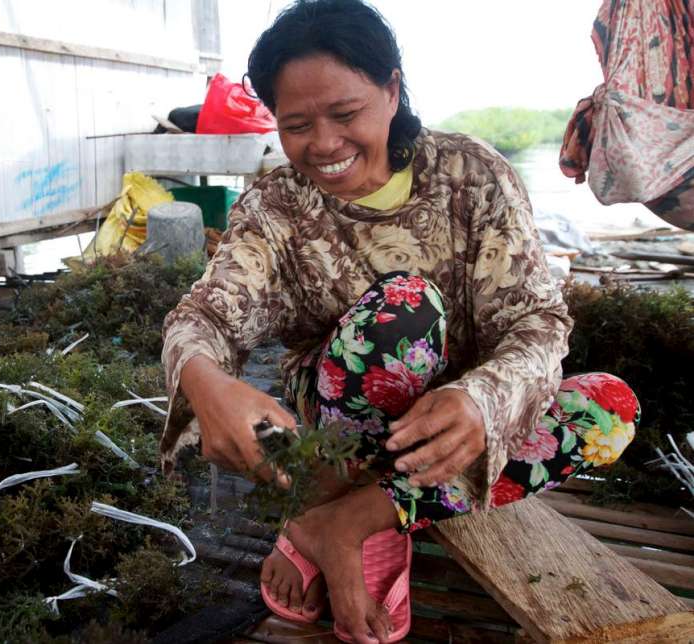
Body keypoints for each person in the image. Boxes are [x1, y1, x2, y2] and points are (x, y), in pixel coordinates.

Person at [160, 1, 640, 642]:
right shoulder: (275, 207)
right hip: (336, 424)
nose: (324, 144)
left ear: (391, 89)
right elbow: (205, 316)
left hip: (452, 423)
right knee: (404, 313)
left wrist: (479, 399)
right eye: (297, 124)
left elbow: (537, 323)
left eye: (345, 114)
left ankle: (347, 520)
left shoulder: (472, 177)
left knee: (609, 410)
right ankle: (334, 491)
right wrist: (203, 378)